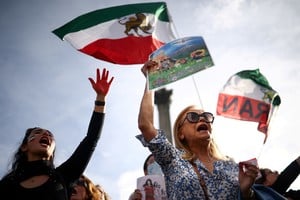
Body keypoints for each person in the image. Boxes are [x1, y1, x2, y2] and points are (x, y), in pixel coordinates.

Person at [136, 60, 260, 199]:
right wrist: (151, 80)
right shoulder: (173, 159)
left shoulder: (230, 165)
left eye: (206, 116)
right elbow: (145, 125)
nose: (202, 119)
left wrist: (245, 191)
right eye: (193, 117)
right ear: (180, 133)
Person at [0, 68, 114, 200]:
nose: (46, 135)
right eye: (37, 132)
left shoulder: (64, 175)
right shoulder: (7, 184)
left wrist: (101, 98)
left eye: (50, 135)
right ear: (24, 146)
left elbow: (91, 139)